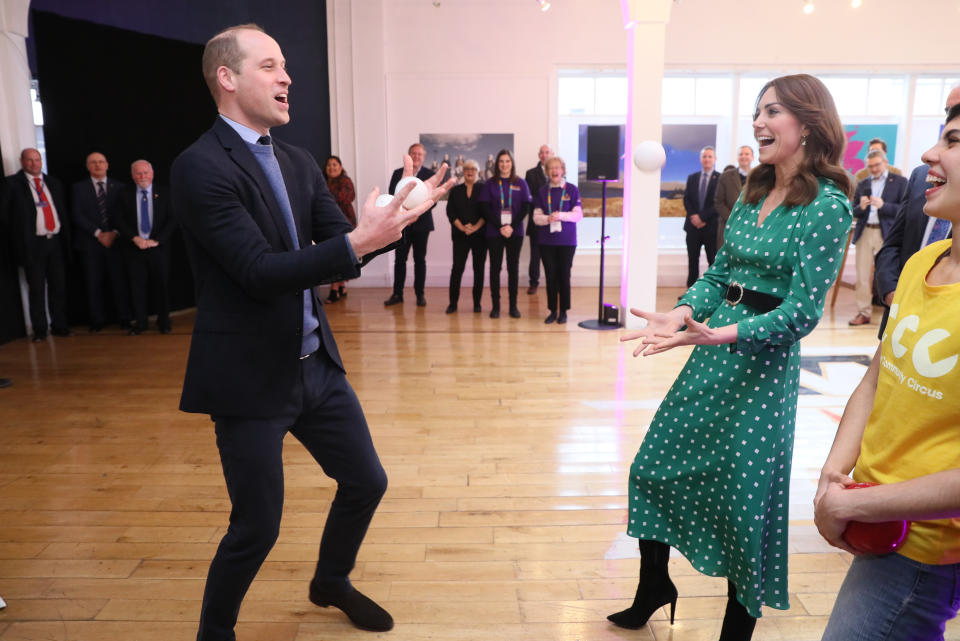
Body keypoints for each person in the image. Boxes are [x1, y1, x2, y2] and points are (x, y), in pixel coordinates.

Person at [170, 24, 450, 641]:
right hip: (248, 378)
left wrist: (393, 220)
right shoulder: (198, 167)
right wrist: (357, 240)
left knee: (366, 481)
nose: (286, 77)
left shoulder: (296, 160)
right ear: (227, 77)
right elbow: (256, 272)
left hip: (314, 363)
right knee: (257, 527)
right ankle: (214, 633)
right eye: (269, 66)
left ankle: (330, 581)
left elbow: (342, 248)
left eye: (286, 66)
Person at [609, 74, 852, 640]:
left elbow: (802, 314)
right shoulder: (749, 189)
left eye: (772, 113)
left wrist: (727, 334)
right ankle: (653, 585)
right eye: (756, 114)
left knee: (743, 502)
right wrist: (681, 312)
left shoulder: (827, 207)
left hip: (761, 366)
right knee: (652, 467)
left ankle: (735, 628)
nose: (759, 124)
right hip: (711, 347)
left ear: (810, 124)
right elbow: (719, 274)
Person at [814, 103, 960, 640]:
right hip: (882, 528)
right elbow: (879, 377)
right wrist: (834, 475)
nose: (928, 155)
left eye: (954, 139)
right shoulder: (926, 261)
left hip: (925, 553)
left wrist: (856, 503)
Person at [873, 85, 960, 335]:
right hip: (900, 322)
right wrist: (894, 295)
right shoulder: (922, 177)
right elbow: (893, 243)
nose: (928, 155)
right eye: (948, 112)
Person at [2, 148, 71, 341]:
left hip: (55, 242)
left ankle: (60, 325)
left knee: (58, 286)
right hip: (33, 244)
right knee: (37, 288)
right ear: (22, 161)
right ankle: (40, 330)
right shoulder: (12, 184)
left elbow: (62, 212)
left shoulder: (53, 183)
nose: (34, 164)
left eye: (37, 159)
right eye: (30, 160)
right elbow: (7, 217)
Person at [70, 151, 132, 332]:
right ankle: (97, 320)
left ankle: (125, 318)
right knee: (93, 283)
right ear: (88, 166)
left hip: (116, 242)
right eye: (93, 162)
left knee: (120, 283)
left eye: (101, 162)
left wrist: (113, 233)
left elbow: (126, 214)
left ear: (107, 165)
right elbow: (76, 214)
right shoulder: (78, 188)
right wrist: (98, 233)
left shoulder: (120, 187)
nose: (98, 165)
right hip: (90, 243)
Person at [848, 149, 908, 326]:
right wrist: (861, 207)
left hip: (888, 234)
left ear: (885, 162)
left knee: (888, 273)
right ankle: (863, 312)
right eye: (870, 166)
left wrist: (884, 206)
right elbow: (854, 210)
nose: (873, 169)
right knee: (862, 275)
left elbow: (904, 210)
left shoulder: (900, 182)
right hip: (865, 231)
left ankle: (892, 312)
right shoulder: (863, 183)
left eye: (876, 165)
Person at [116, 160, 174, 335]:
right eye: (139, 173)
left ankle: (164, 322)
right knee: (137, 288)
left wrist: (158, 240)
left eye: (146, 173)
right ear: (133, 175)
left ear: (152, 174)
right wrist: (134, 238)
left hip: (158, 248)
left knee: (161, 287)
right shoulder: (123, 194)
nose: (143, 177)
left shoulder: (165, 193)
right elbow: (119, 220)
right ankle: (140, 323)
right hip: (134, 248)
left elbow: (173, 220)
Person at [479, 149, 531, 319]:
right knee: (495, 269)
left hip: (515, 232)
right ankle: (496, 307)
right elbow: (485, 208)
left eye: (507, 161)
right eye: (501, 161)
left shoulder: (520, 183)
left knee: (512, 269)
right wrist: (501, 226)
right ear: (497, 164)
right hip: (494, 232)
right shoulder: (490, 184)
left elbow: (525, 207)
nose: (504, 164)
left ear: (512, 163)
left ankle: (513, 306)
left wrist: (511, 226)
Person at [384, 143, 436, 307]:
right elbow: (393, 195)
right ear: (409, 155)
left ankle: (420, 295)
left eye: (420, 154)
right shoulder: (398, 173)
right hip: (401, 224)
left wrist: (416, 214)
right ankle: (397, 294)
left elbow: (432, 199)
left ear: (424, 156)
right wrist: (405, 214)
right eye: (414, 153)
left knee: (420, 260)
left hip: (422, 224)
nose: (416, 156)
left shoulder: (429, 174)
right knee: (400, 260)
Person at [532, 155, 582, 325]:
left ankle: (564, 311)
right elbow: (536, 218)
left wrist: (560, 215)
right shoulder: (541, 191)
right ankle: (552, 310)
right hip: (546, 242)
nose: (555, 171)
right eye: (551, 168)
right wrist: (548, 219)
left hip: (567, 241)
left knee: (564, 276)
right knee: (550, 276)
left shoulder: (572, 190)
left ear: (563, 170)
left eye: (557, 167)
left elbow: (578, 215)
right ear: (547, 171)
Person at [445, 159, 486, 314]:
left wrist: (475, 227)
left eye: (473, 169)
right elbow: (450, 212)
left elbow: (486, 211)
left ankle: (477, 304)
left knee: (479, 270)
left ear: (477, 172)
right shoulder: (456, 191)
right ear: (463, 171)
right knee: (457, 269)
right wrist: (462, 227)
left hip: (480, 236)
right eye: (467, 168)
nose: (470, 171)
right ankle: (453, 304)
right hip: (460, 236)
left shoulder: (483, 189)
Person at [682, 146, 721, 287]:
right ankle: (690, 293)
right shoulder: (692, 178)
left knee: (713, 261)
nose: (707, 159)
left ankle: (712, 292)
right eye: (704, 156)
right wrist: (694, 216)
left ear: (715, 159)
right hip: (692, 228)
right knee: (693, 261)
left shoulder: (721, 178)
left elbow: (718, 202)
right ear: (700, 159)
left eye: (710, 156)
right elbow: (687, 199)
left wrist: (702, 218)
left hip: (710, 227)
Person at [323, 155, 356, 303]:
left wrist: (324, 198)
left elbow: (345, 197)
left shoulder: (345, 181)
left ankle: (334, 289)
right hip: (328, 223)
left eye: (335, 165)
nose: (331, 168)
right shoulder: (324, 182)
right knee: (337, 255)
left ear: (341, 167)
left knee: (339, 255)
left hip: (343, 223)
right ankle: (342, 286)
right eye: (329, 165)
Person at [713, 145, 754, 248]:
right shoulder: (726, 176)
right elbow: (718, 202)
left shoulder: (760, 176)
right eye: (741, 154)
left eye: (747, 154)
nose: (743, 156)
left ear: (752, 157)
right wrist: (734, 218)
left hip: (751, 227)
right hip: (728, 226)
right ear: (737, 157)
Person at [524, 144, 551, 294]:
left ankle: (552, 282)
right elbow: (529, 197)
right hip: (537, 220)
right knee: (535, 255)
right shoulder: (531, 173)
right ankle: (533, 283)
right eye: (542, 152)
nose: (544, 155)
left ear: (551, 154)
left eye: (547, 152)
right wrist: (544, 207)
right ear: (538, 155)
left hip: (554, 222)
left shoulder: (557, 172)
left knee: (552, 255)